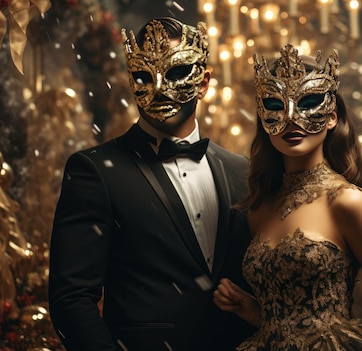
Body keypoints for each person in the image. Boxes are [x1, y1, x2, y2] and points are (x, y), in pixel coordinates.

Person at [48, 17, 255, 351]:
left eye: (175, 73)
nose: (159, 88)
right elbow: (71, 298)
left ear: (204, 82)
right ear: (131, 80)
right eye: (145, 76)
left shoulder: (240, 171)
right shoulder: (95, 170)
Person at [213, 44, 362, 350]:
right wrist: (254, 311)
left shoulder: (346, 202)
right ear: (264, 120)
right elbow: (287, 320)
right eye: (276, 106)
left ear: (331, 116)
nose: (292, 119)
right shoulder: (260, 208)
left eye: (307, 102)